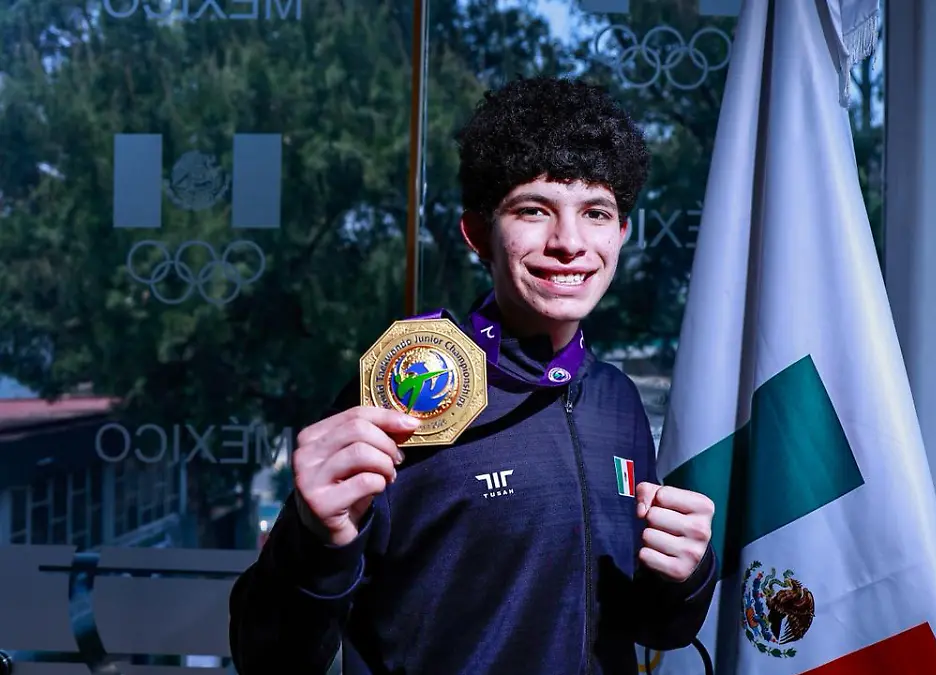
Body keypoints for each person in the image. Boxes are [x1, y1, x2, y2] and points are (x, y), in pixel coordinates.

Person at [228, 76, 718, 675]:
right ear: (478, 235)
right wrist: (310, 540)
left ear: (619, 234)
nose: (569, 243)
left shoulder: (617, 401)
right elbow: (268, 657)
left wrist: (687, 575)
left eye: (596, 211)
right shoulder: (404, 389)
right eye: (534, 210)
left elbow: (653, 625)